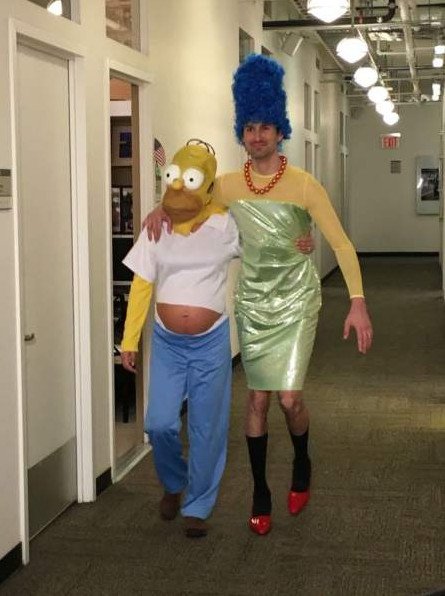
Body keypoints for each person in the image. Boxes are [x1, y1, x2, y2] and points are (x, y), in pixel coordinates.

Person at [144, 54, 373, 537]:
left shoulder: (304, 186)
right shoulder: (227, 186)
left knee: (289, 400)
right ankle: (260, 492)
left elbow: (341, 243)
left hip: (295, 301)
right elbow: (187, 205)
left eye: (265, 126)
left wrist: (357, 301)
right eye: (249, 127)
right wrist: (159, 210)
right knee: (256, 402)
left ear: (280, 129)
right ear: (241, 133)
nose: (257, 135)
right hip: (252, 302)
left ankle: (302, 461)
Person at [120, 140, 240, 538]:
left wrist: (299, 242)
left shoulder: (224, 225)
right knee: (159, 424)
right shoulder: (158, 226)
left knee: (208, 427)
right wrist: (129, 340)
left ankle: (198, 504)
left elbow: (261, 248)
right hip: (168, 342)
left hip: (211, 342)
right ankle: (174, 482)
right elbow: (141, 284)